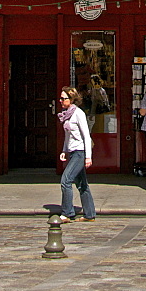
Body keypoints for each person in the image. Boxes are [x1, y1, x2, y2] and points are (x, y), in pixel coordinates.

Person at [58, 86, 96, 222]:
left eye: (63, 98)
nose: (60, 101)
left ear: (71, 99)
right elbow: (68, 136)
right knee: (82, 183)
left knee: (66, 180)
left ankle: (67, 213)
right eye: (60, 98)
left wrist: (88, 157)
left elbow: (86, 135)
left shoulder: (78, 113)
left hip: (80, 152)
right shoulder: (66, 114)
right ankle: (90, 214)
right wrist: (64, 150)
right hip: (73, 152)